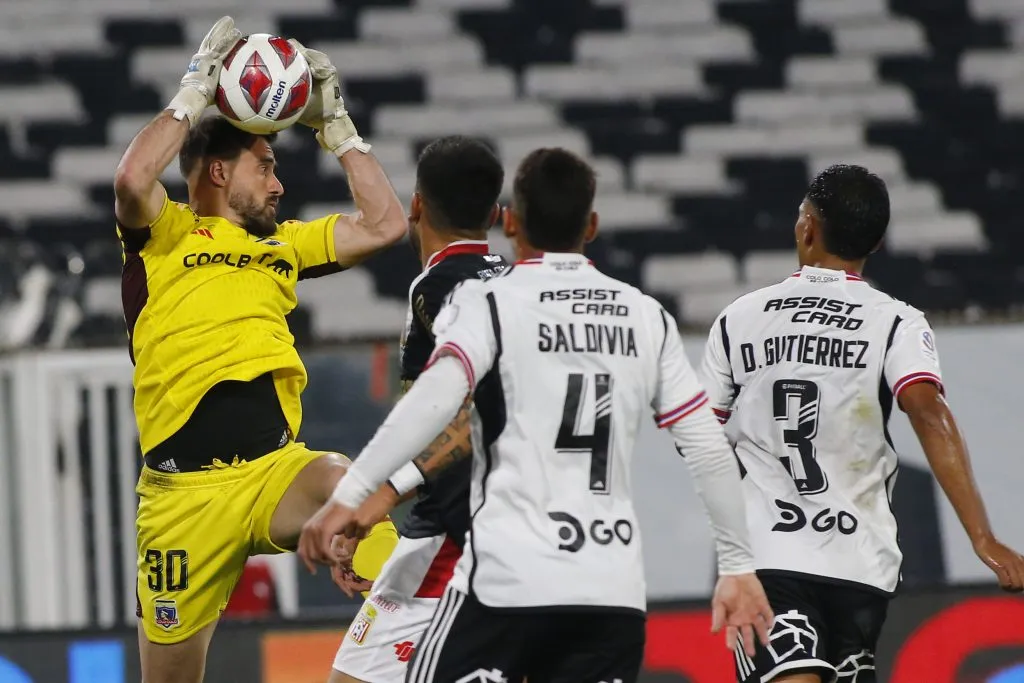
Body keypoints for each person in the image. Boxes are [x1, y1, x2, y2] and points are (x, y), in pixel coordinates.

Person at [299, 148, 774, 683]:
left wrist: (356, 493)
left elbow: (433, 406)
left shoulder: (489, 303)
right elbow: (708, 447)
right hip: (607, 582)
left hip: (507, 571)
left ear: (510, 223)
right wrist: (738, 565)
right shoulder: (645, 315)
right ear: (591, 226)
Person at [113, 17, 404, 683]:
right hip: (181, 499)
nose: (278, 185)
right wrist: (194, 92)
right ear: (219, 171)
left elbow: (385, 224)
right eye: (266, 166)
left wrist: (338, 128)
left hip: (274, 473)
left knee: (354, 491)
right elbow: (131, 179)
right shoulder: (163, 234)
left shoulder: (282, 246)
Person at [696, 164, 1024, 683]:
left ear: (807, 227)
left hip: (768, 554)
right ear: (877, 242)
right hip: (859, 563)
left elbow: (698, 438)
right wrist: (982, 536)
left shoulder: (741, 318)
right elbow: (929, 414)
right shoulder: (896, 321)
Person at [331, 135, 508, 683]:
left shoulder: (438, 287)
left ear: (416, 205)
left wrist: (375, 497)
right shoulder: (512, 281)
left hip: (451, 531)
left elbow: (454, 420)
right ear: (495, 214)